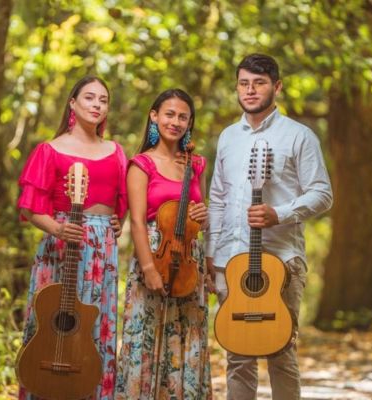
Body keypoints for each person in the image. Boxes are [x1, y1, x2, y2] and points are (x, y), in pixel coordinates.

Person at [207, 54, 333, 400]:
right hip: (231, 262)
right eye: (244, 83)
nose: (250, 90)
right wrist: (211, 254)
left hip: (282, 262)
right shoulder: (228, 137)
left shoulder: (299, 136)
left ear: (276, 87)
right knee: (237, 357)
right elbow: (217, 199)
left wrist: (279, 213)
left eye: (259, 83)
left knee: (281, 353)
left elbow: (322, 193)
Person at [17, 76, 127, 400]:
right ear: (73, 103)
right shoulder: (50, 149)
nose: (97, 105)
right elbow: (29, 208)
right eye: (89, 97)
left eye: (103, 100)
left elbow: (124, 201)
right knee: (53, 324)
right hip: (61, 246)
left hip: (102, 253)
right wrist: (58, 229)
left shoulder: (116, 152)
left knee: (93, 327)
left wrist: (117, 222)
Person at [115, 89, 213, 400]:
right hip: (154, 255)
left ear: (190, 123)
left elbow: (200, 217)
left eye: (183, 117)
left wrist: (203, 216)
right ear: (154, 116)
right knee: (147, 335)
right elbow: (137, 222)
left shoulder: (196, 164)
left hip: (189, 261)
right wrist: (148, 268)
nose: (176, 122)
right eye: (169, 114)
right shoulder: (141, 164)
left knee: (188, 336)